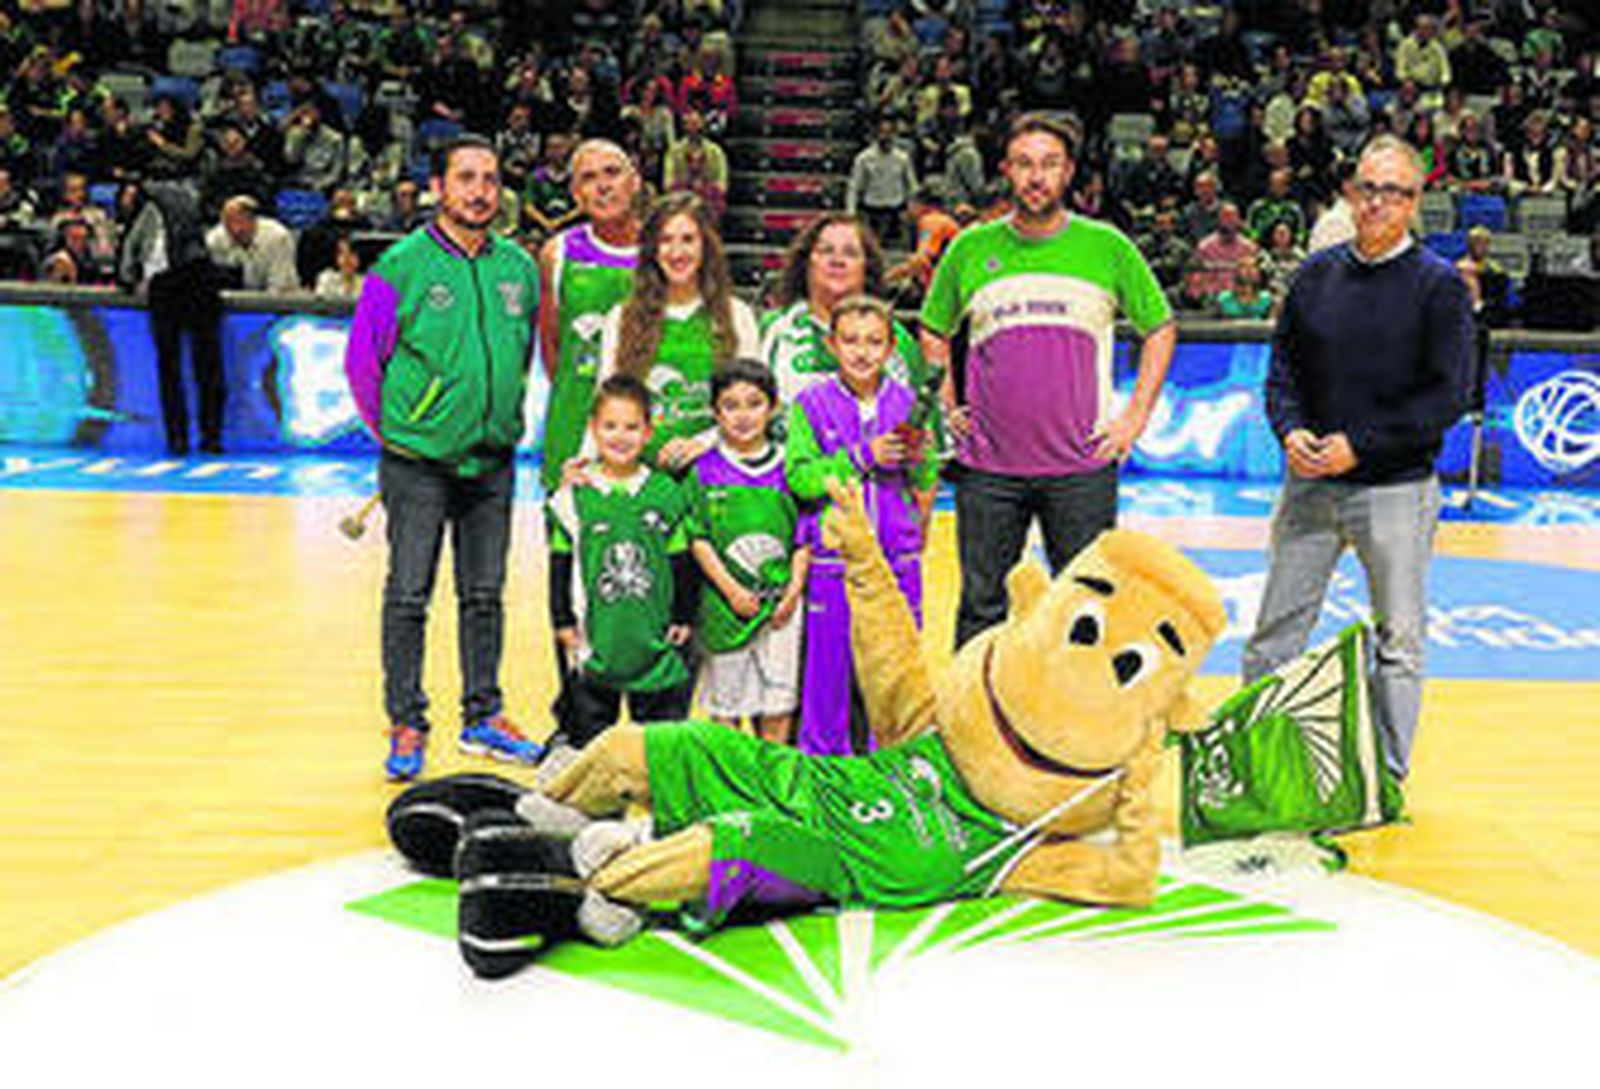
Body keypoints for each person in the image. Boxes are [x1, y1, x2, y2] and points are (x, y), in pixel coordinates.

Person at [1243, 135, 1473, 783]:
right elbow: (1282, 374)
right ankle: (1256, 765)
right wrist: (1290, 431)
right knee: (1275, 632)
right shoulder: (1315, 274)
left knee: (1398, 639)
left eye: (1393, 192)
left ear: (1415, 201)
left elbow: (1448, 396)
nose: (1377, 202)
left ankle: (1387, 777)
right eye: (1368, 188)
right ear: (1350, 192)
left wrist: (1360, 445)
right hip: (1309, 483)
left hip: (1394, 489)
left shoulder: (1439, 287)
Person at [920, 113, 1177, 648]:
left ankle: (1074, 708)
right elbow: (933, 329)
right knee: (981, 606)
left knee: (1085, 612)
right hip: (988, 467)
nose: (1036, 176)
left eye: (1049, 164)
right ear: (1006, 171)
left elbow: (1160, 328)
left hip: (1081, 465)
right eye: (1024, 164)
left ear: (1069, 172)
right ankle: (977, 705)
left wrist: (1134, 419)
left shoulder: (1107, 246)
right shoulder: (970, 248)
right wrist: (946, 406)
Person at [343, 134, 545, 782]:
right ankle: (406, 718)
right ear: (438, 187)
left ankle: (483, 713)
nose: (480, 192)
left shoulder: (519, 267)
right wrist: (403, 434)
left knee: (484, 594)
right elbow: (362, 361)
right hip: (418, 464)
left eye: (490, 179)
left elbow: (519, 352)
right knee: (409, 594)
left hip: (492, 460)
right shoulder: (401, 265)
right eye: (466, 178)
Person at [787, 294, 938, 755]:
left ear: (891, 348)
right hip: (834, 564)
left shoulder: (909, 404)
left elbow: (926, 478)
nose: (862, 351)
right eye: (850, 340)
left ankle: (892, 768)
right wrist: (861, 456)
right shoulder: (810, 403)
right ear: (831, 345)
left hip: (896, 563)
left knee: (895, 677)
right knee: (827, 679)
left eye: (874, 341)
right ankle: (823, 769)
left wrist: (919, 461)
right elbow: (800, 478)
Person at [546, 375, 697, 750]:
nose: (620, 436)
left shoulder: (664, 492)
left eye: (631, 427)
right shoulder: (574, 496)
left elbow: (681, 560)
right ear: (593, 429)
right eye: (610, 426)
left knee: (660, 744)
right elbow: (560, 563)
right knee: (590, 743)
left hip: (653, 640)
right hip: (595, 640)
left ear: (648, 432)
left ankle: (658, 787)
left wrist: (683, 616)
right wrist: (562, 620)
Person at [686, 359, 809, 744]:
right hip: (726, 607)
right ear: (715, 413)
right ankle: (732, 776)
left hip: (781, 609)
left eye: (754, 403)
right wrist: (731, 590)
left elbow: (803, 539)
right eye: (731, 405)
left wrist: (793, 591)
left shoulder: (790, 466)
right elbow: (698, 538)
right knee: (727, 704)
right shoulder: (703, 470)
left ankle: (770, 778)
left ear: (773, 407)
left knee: (778, 702)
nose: (743, 415)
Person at [592, 192, 760, 473]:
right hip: (641, 475)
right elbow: (605, 404)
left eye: (688, 239)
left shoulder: (736, 314)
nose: (677, 252)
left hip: (716, 473)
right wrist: (586, 462)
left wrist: (704, 442)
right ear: (652, 250)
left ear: (706, 246)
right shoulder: (621, 317)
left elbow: (754, 405)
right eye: (665, 240)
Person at [537, 138, 642, 496]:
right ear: (575, 194)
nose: (602, 186)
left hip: (647, 426)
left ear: (635, 181)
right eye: (588, 178)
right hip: (575, 424)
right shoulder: (557, 253)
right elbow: (552, 350)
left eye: (612, 173)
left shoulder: (666, 250)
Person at [760, 212, 931, 409]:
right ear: (806, 263)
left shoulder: (897, 340)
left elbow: (922, 414)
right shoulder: (774, 328)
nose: (837, 260)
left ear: (867, 267)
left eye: (850, 253)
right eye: (826, 251)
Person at [117, 178, 226, 457]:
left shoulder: (146, 210)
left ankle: (178, 440)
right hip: (203, 279)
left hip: (168, 286)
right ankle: (212, 437)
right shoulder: (188, 196)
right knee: (209, 365)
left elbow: (128, 259)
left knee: (170, 368)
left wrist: (130, 280)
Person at [847, 116, 918, 250]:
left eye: (889, 133)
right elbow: (854, 187)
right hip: (873, 211)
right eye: (882, 132)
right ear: (876, 134)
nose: (885, 137)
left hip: (895, 211)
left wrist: (913, 208)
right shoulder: (864, 158)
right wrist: (851, 212)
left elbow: (912, 186)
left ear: (894, 135)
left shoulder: (902, 158)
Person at [205, 195, 301, 293]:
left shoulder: (278, 237)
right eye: (229, 223)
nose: (236, 230)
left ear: (253, 220)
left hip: (276, 297)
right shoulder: (215, 239)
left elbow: (280, 286)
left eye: (240, 222)